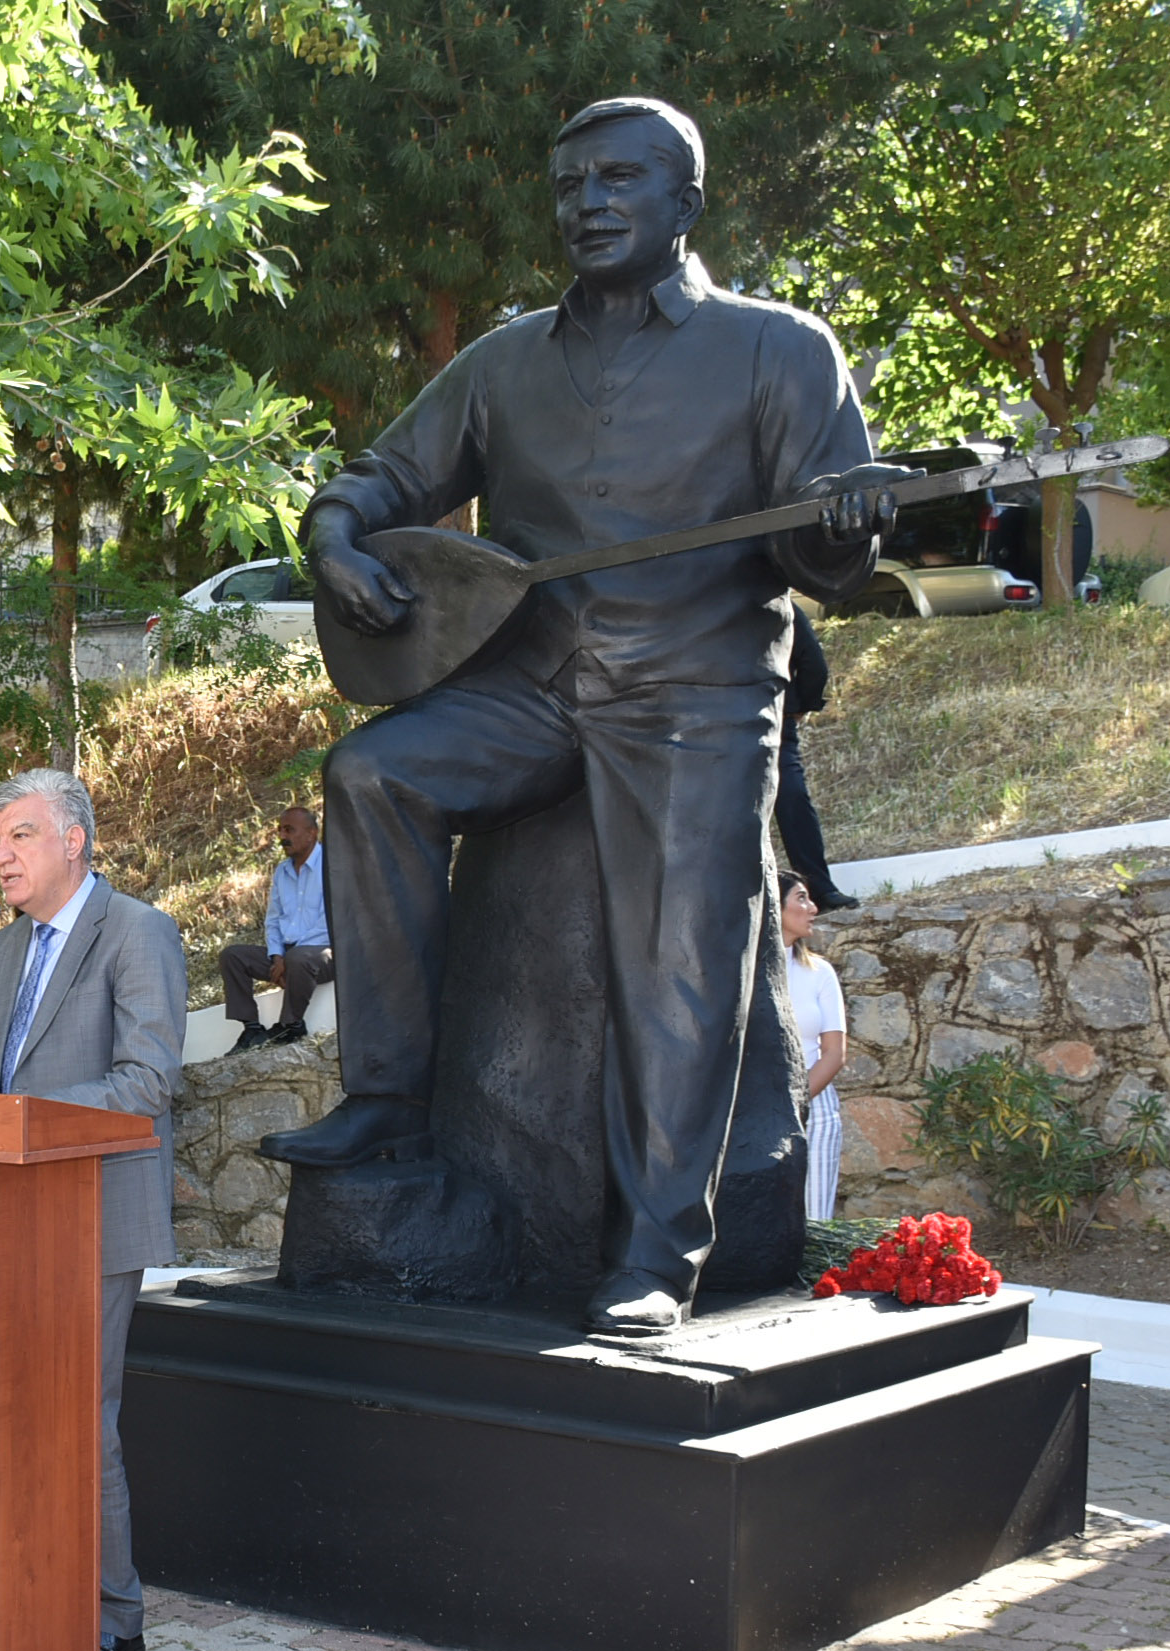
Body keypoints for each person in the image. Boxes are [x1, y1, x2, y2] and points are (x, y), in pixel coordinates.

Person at [267, 95, 897, 1333]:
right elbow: (382, 476)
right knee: (371, 777)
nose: (590, 204)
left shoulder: (780, 349)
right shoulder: (506, 360)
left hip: (697, 690)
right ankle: (388, 1097)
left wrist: (848, 525)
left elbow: (828, 567)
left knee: (679, 955)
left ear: (685, 202)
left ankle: (661, 1250)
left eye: (620, 179)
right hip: (532, 683)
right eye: (571, 187)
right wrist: (332, 532)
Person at [0, 769, 184, 1651]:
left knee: (81, 1416)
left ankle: (113, 1613)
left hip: (92, 1210)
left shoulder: (138, 932)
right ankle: (23, 1586)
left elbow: (147, 1083)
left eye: (19, 837)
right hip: (2, 1212)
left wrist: (22, 1122)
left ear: (73, 840)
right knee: (5, 1411)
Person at [220, 807, 334, 1053]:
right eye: (280, 829)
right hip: (289, 957)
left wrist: (290, 958)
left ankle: (291, 1025)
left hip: (323, 955)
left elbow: (331, 923)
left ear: (311, 833)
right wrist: (277, 956)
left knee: (299, 958)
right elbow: (273, 920)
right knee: (233, 956)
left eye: (289, 830)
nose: (282, 836)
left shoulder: (331, 866)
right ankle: (251, 1028)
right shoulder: (282, 872)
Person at [774, 608, 857, 911]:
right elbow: (814, 665)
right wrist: (801, 702)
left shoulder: (711, 596)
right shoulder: (780, 602)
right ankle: (819, 888)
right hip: (773, 713)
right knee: (792, 800)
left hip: (712, 720)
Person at [783, 879, 849, 1222]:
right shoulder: (737, 973)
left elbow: (834, 1054)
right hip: (751, 1110)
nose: (813, 908)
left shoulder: (819, 972)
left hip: (815, 1107)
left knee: (814, 1222)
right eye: (801, 899)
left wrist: (791, 1103)